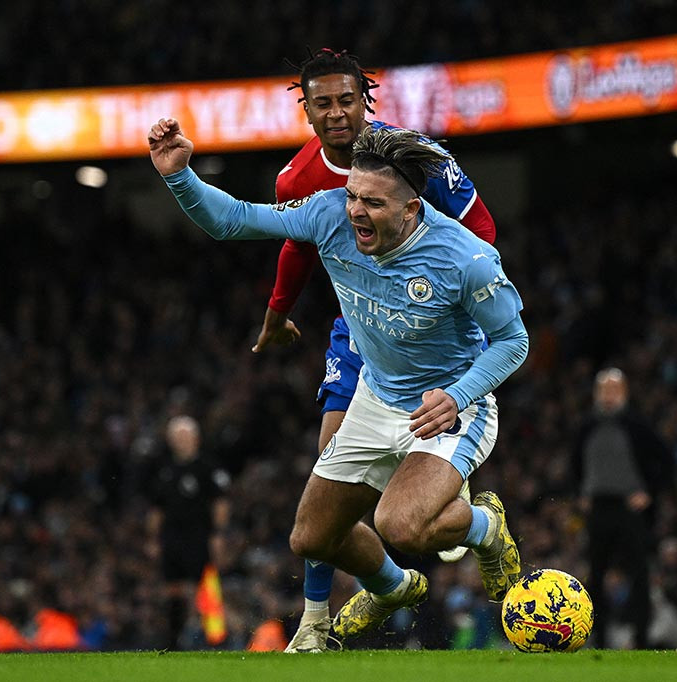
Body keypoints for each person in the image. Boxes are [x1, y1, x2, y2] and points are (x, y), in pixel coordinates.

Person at [149, 119, 526, 650]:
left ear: (411, 210)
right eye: (352, 195)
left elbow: (513, 342)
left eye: (372, 203)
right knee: (311, 538)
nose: (355, 211)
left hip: (448, 409)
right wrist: (179, 176)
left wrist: (458, 395)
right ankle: (393, 587)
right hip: (375, 399)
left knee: (401, 526)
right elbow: (232, 220)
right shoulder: (328, 214)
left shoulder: (466, 259)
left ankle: (485, 528)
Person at [251, 47, 498, 652]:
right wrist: (277, 314)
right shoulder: (295, 179)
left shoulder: (418, 160)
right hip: (359, 324)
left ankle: (461, 524)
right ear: (305, 109)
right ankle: (341, 609)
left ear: (367, 98)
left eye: (346, 99)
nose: (336, 113)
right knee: (327, 463)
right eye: (322, 103)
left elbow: (482, 230)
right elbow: (298, 248)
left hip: (428, 324)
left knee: (409, 521)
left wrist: (445, 309)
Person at [570, 368, 675, 648]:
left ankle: (641, 638)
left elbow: (665, 460)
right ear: (595, 393)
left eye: (614, 390)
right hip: (597, 508)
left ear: (625, 393)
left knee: (638, 574)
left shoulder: (636, 425)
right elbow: (574, 464)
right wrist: (580, 493)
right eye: (604, 390)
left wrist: (649, 492)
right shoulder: (587, 426)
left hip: (630, 508)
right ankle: (599, 638)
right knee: (596, 573)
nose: (608, 396)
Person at [145, 415, 229, 649]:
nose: (181, 440)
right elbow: (156, 508)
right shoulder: (164, 470)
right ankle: (174, 640)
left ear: (196, 438)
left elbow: (220, 503)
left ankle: (214, 638)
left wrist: (218, 534)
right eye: (177, 436)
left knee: (205, 585)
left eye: (185, 435)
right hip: (172, 536)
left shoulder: (207, 467)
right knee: (173, 587)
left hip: (199, 535)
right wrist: (153, 539)